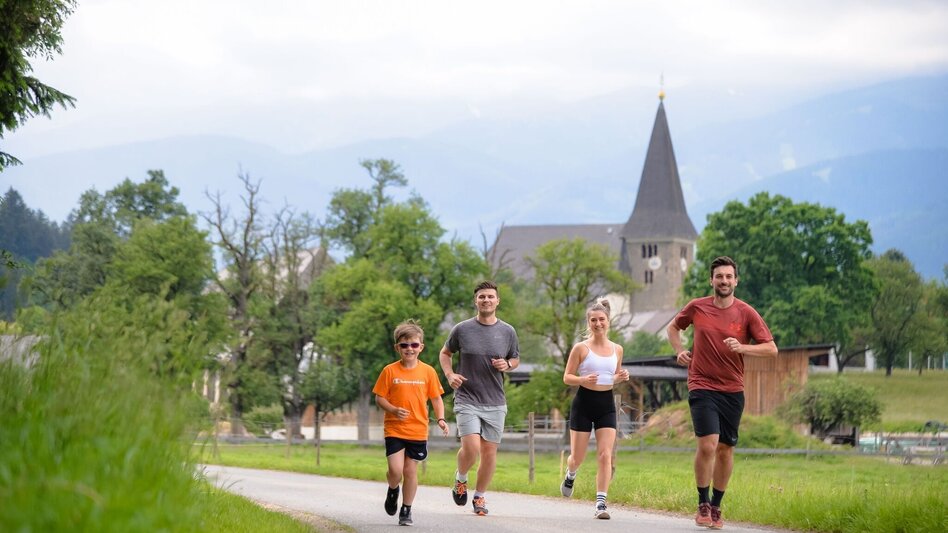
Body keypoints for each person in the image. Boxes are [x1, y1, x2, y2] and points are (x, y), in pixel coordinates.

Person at [666, 256, 777, 530]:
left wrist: (743, 348)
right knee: (708, 444)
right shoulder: (697, 307)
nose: (724, 281)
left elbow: (771, 348)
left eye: (729, 277)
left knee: (726, 450)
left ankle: (716, 506)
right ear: (711, 280)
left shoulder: (747, 313)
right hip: (702, 385)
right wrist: (679, 351)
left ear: (736, 281)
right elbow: (673, 327)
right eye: (719, 277)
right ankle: (702, 503)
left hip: (732, 390)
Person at [439, 280, 520, 516]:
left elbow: (515, 359)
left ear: (497, 301)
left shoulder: (508, 331)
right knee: (472, 448)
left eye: (490, 297)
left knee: (489, 452)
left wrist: (507, 364)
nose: (486, 300)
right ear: (476, 301)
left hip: (495, 401)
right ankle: (461, 478)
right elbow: (445, 353)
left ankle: (480, 497)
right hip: (467, 398)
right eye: (482, 296)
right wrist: (449, 374)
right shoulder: (462, 329)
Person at [373, 320, 449, 526]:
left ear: (421, 347)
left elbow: (436, 398)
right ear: (397, 347)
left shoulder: (428, 372)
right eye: (404, 345)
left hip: (417, 430)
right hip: (394, 428)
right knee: (396, 471)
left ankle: (406, 509)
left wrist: (441, 418)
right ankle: (393, 489)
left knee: (410, 471)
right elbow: (379, 398)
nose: (409, 349)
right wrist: (393, 409)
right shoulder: (389, 371)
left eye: (414, 345)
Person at [560, 298, 630, 519]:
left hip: (606, 406)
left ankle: (601, 504)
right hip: (583, 405)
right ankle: (571, 473)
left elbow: (613, 378)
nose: (598, 323)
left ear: (608, 321)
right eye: (593, 320)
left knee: (605, 455)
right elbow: (566, 377)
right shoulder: (581, 348)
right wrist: (582, 379)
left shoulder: (617, 349)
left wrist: (621, 377)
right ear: (588, 323)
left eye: (601, 319)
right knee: (577, 457)